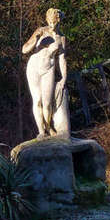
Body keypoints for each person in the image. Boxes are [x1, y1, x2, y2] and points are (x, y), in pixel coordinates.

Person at [22, 8, 71, 138]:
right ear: (47, 19)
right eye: (50, 21)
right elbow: (24, 50)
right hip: (34, 67)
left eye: (55, 21)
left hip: (48, 69)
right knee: (37, 100)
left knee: (47, 102)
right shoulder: (41, 31)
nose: (52, 24)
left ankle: (49, 126)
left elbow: (62, 60)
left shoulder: (62, 38)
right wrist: (35, 39)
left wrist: (64, 78)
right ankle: (42, 131)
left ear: (59, 21)